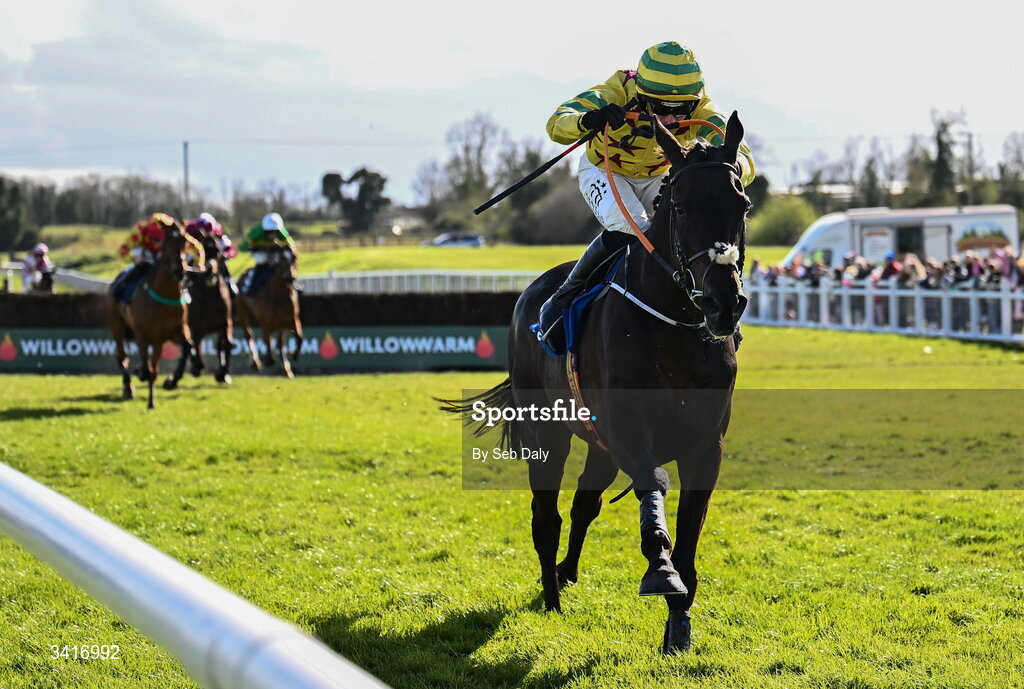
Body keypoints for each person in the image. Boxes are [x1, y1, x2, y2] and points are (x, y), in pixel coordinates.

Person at [535, 41, 756, 340]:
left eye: (682, 110)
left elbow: (743, 157)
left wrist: (732, 167)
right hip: (604, 171)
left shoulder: (705, 109)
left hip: (657, 177)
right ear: (640, 92)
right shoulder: (617, 89)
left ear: (696, 99)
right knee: (636, 229)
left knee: (681, 231)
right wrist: (588, 119)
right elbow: (557, 123)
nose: (671, 120)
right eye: (661, 108)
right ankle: (567, 292)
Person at [111, 213, 199, 302]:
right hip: (145, 251)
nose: (159, 243)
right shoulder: (139, 230)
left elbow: (198, 247)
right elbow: (121, 252)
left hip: (165, 251)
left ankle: (184, 289)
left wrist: (199, 262)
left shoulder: (174, 228)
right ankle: (119, 290)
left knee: (177, 264)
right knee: (138, 268)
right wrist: (134, 259)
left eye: (161, 240)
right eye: (156, 239)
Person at [238, 212, 297, 295]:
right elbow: (242, 246)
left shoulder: (282, 232)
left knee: (283, 260)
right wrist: (252, 248)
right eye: (269, 232)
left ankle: (290, 284)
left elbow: (290, 244)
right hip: (260, 252)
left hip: (273, 251)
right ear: (264, 230)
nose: (272, 234)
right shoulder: (256, 232)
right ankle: (250, 285)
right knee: (262, 259)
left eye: (274, 231)